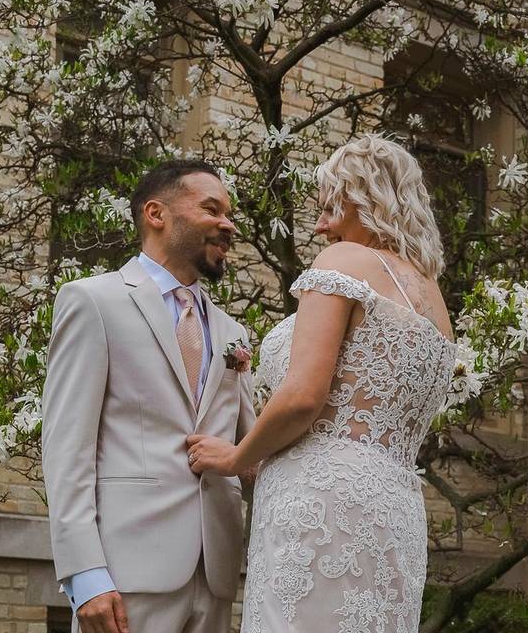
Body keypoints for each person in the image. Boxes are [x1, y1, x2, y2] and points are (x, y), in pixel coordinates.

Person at [187, 134, 457, 632]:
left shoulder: (343, 263)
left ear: (366, 199)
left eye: (331, 207)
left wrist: (234, 456)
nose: (320, 224)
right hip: (394, 508)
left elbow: (304, 398)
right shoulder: (433, 300)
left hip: (320, 504)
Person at [42, 159, 256, 633]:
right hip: (125, 576)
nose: (228, 224)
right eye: (212, 209)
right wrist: (85, 575)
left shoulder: (231, 331)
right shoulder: (93, 301)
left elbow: (249, 451)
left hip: (217, 575)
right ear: (156, 214)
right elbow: (66, 448)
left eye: (230, 214)